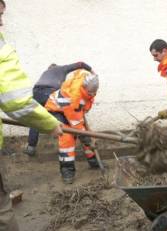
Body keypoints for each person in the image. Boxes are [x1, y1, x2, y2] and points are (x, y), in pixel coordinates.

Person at [0, 0, 63, 229]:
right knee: (2, 212)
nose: (2, 22)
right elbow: (16, 101)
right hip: (42, 104)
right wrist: (51, 124)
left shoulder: (53, 74)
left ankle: (33, 147)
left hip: (40, 99)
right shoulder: (62, 77)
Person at [24, 62, 93, 156]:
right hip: (50, 92)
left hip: (36, 93)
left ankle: (31, 147)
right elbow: (80, 64)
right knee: (68, 118)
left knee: (37, 119)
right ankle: (83, 143)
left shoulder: (45, 73)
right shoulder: (62, 68)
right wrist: (91, 71)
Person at [45, 69, 100, 184]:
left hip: (72, 111)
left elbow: (80, 109)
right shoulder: (72, 96)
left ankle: (94, 161)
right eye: (90, 93)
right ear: (84, 89)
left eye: (94, 93)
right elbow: (76, 124)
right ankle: (67, 171)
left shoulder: (87, 87)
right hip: (56, 110)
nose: (92, 95)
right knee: (68, 138)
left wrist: (86, 133)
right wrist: (87, 137)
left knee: (86, 134)